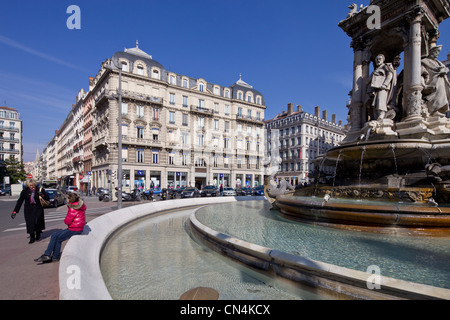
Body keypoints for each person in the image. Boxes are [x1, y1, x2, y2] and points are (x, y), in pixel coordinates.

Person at [34, 192, 86, 263]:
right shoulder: (79, 206)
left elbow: (67, 221)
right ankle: (48, 255)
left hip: (74, 229)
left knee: (58, 239)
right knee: (54, 235)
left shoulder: (72, 208)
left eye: (67, 198)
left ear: (69, 200)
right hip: (76, 228)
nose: (66, 199)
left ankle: (54, 256)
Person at [12, 179, 49, 244]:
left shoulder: (40, 190)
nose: (31, 187)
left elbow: (47, 197)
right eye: (30, 185)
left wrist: (42, 195)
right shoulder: (25, 191)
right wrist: (15, 211)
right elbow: (20, 201)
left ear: (35, 184)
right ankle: (32, 237)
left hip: (38, 208)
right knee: (30, 223)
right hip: (28, 209)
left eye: (32, 185)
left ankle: (38, 234)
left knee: (38, 221)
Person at [421, 45, 450, 117]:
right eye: (436, 52)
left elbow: (446, 68)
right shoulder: (424, 61)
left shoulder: (438, 62)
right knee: (436, 95)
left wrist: (444, 70)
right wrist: (424, 85)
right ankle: (434, 110)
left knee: (441, 96)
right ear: (431, 52)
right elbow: (420, 73)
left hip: (441, 82)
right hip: (432, 82)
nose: (437, 54)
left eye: (438, 52)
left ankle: (439, 110)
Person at [367, 54, 397, 121]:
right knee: (375, 103)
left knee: (381, 100)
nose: (378, 60)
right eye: (377, 59)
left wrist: (385, 84)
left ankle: (382, 114)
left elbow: (390, 75)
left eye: (380, 59)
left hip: (383, 88)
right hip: (376, 88)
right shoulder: (376, 70)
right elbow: (368, 80)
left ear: (383, 60)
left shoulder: (385, 66)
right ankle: (377, 115)